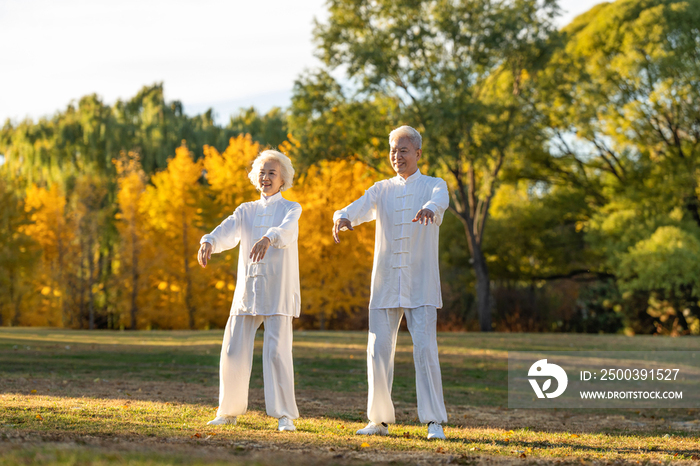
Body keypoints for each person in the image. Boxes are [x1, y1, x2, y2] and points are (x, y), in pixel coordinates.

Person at [332, 126, 449, 440]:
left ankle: (434, 421)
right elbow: (357, 207)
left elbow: (442, 199)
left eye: (404, 150)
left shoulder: (433, 185)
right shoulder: (381, 189)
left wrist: (430, 208)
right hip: (385, 283)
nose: (398, 156)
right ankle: (378, 421)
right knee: (377, 349)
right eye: (394, 151)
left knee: (425, 350)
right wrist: (343, 217)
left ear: (418, 154)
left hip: (421, 283)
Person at [198, 150, 301, 432]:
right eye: (262, 172)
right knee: (232, 350)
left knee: (277, 353)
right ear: (255, 177)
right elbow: (226, 230)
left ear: (283, 180)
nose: (266, 178)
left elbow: (286, 230)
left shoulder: (292, 209)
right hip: (247, 290)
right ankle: (227, 411)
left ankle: (284, 416)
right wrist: (208, 241)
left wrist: (269, 237)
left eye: (272, 173)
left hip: (277, 289)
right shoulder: (246, 210)